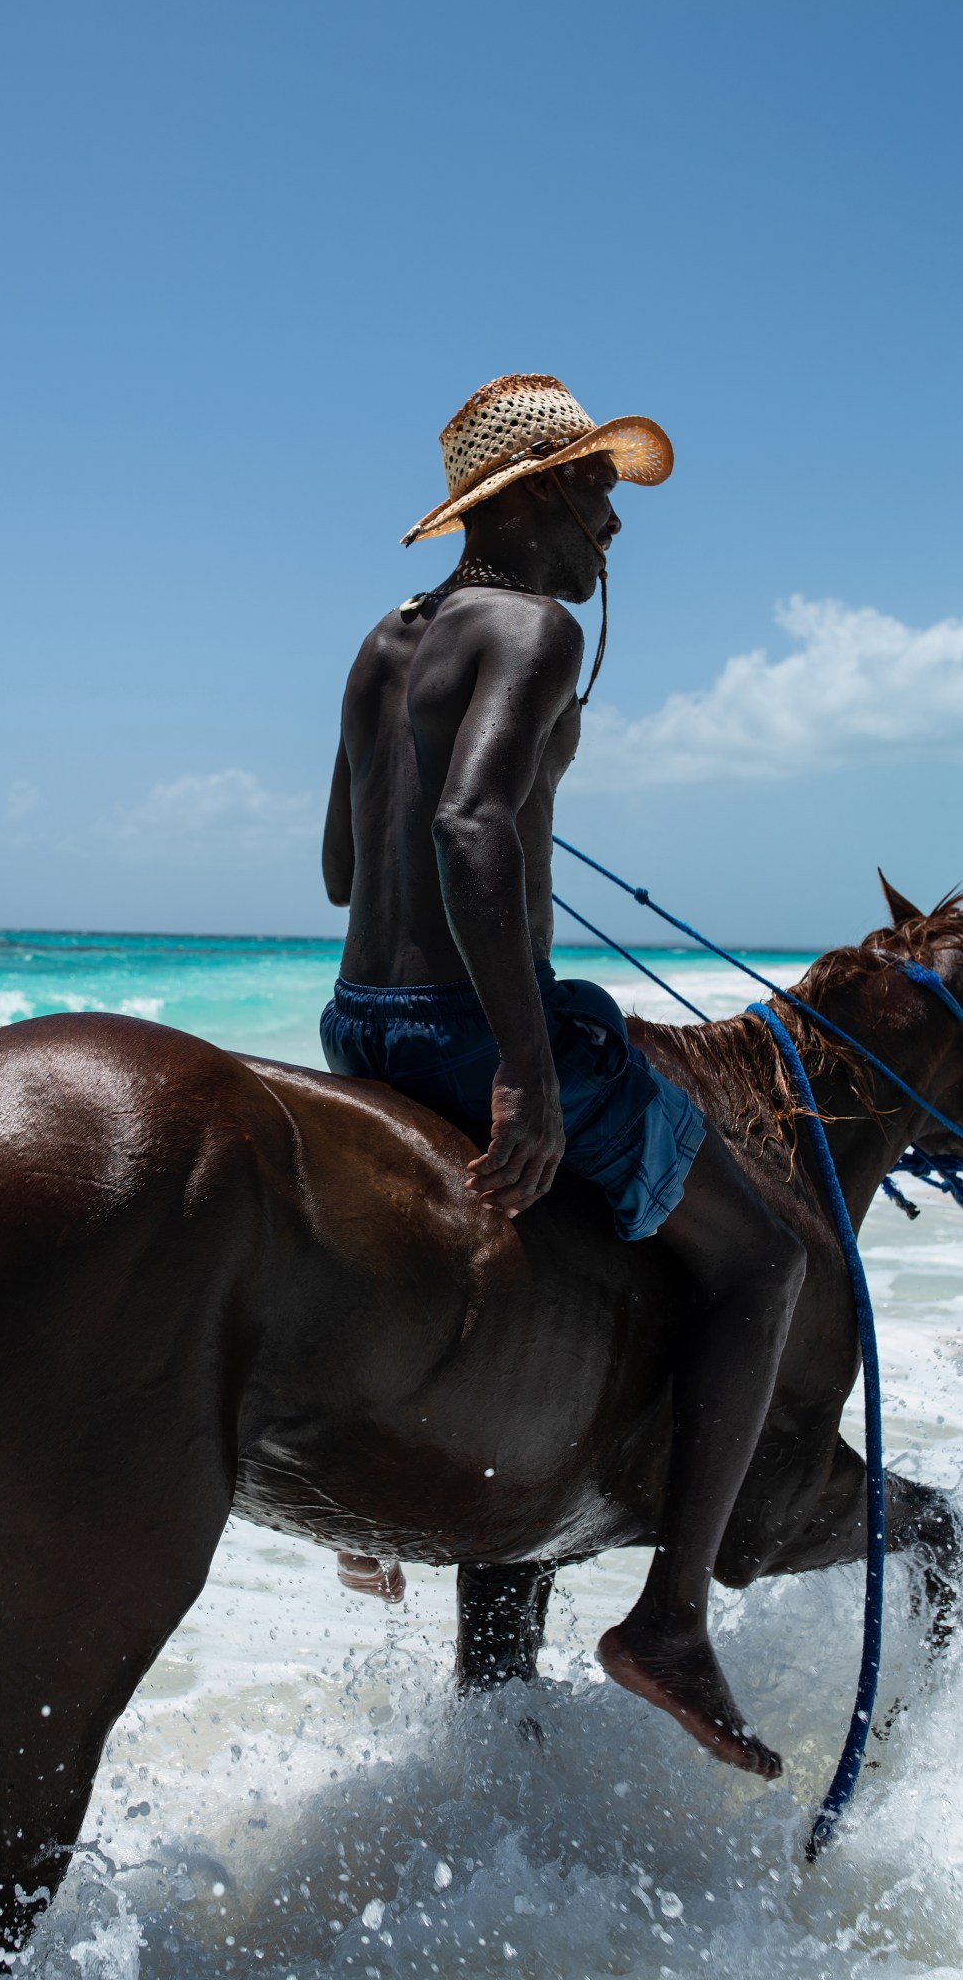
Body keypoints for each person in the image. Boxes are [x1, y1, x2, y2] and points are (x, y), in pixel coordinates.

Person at [320, 374, 806, 1778]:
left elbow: (349, 868)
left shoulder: (380, 640)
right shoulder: (528, 629)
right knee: (764, 1261)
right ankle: (668, 1621)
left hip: (360, 1020)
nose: (610, 526)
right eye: (592, 493)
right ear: (524, 503)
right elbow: (471, 828)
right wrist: (527, 1079)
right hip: (476, 1032)